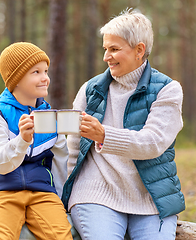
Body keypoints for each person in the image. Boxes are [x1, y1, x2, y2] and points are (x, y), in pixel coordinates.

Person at [61, 9, 185, 240]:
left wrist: (103, 135)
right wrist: (63, 194)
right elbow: (73, 149)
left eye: (114, 49)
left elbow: (153, 142)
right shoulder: (91, 90)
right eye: (105, 49)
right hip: (95, 193)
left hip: (151, 197)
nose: (106, 56)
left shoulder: (168, 90)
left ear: (139, 50)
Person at [0, 42, 73, 240]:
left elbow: (61, 164)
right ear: (16, 79)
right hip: (0, 191)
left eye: (46, 71)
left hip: (43, 193)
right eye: (35, 72)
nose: (45, 78)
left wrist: (62, 201)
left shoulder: (50, 117)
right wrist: (22, 140)